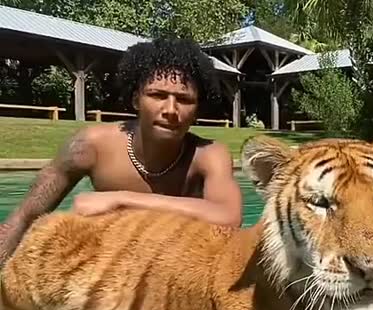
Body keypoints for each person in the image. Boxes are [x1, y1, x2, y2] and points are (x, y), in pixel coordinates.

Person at [0, 37, 243, 265]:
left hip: (180, 272)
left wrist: (118, 199)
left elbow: (228, 217)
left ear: (197, 109)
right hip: (112, 271)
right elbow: (23, 218)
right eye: (157, 95)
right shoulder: (90, 146)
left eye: (184, 99)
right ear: (136, 99)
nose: (171, 109)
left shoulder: (208, 155)